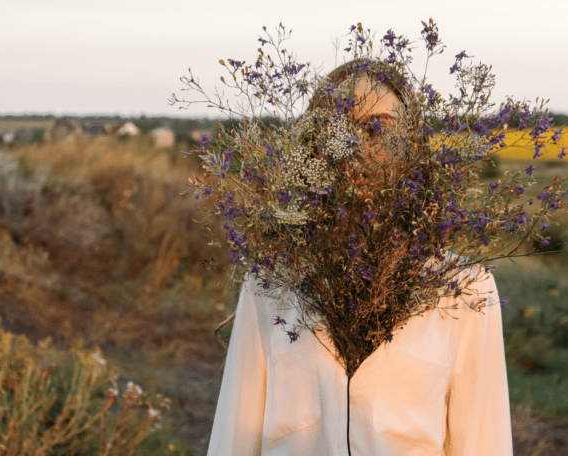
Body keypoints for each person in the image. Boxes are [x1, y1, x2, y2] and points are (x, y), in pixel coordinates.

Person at [206, 60, 513, 456]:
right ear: (316, 145)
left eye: (379, 125)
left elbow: (484, 444)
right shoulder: (271, 284)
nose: (357, 143)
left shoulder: (465, 289)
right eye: (339, 127)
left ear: (412, 143)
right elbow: (234, 439)